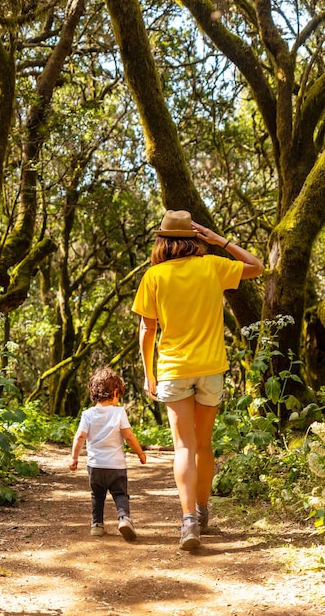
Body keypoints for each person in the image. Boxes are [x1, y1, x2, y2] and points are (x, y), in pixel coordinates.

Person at [132, 209, 264, 550]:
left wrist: (149, 373)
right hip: (211, 369)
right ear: (195, 238)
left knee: (184, 447)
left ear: (161, 240)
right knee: (204, 446)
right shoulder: (213, 267)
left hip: (174, 369)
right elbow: (257, 265)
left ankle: (189, 520)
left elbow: (148, 330)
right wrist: (220, 240)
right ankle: (203, 513)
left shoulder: (154, 276)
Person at [69, 366, 146, 541]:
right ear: (116, 391)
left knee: (97, 495)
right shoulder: (119, 413)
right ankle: (124, 519)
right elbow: (129, 436)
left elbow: (80, 436)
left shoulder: (88, 414)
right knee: (120, 494)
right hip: (116, 466)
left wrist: (74, 458)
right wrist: (140, 453)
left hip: (95, 466)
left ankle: (96, 525)